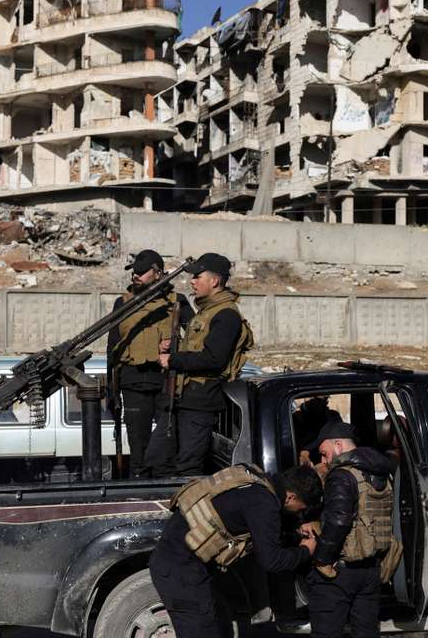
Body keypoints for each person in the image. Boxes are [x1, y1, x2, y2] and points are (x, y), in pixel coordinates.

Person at [150, 465, 321, 638]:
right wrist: (306, 551)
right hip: (181, 570)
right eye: (301, 508)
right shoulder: (264, 502)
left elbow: (261, 527)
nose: (300, 513)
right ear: (291, 497)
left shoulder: (255, 480)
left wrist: (296, 532)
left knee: (215, 625)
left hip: (181, 562)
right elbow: (272, 560)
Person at [153, 252, 254, 476]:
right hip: (186, 397)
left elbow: (213, 359)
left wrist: (173, 359)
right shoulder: (208, 311)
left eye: (198, 277)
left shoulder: (226, 315)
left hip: (201, 400)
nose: (192, 281)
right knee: (159, 459)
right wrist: (174, 349)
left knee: (188, 465)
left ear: (215, 281)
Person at [106, 250, 193, 478]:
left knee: (167, 444)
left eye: (143, 272)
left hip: (166, 381)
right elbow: (112, 348)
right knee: (138, 447)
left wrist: (175, 345)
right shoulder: (123, 303)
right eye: (135, 271)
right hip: (133, 382)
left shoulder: (176, 302)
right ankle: (140, 489)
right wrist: (110, 393)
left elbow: (196, 340)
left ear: (158, 273)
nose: (137, 275)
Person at [307, 421, 398, 638]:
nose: (323, 460)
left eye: (324, 453)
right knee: (366, 632)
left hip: (341, 570)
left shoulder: (341, 475)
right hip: (372, 569)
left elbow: (338, 521)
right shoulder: (382, 472)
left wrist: (322, 559)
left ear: (338, 446)